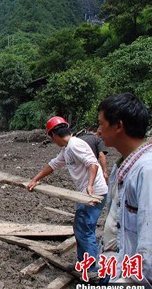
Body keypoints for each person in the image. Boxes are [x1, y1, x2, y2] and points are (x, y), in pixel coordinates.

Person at [27, 116, 108, 277]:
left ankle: (92, 270)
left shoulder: (75, 145)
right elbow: (53, 164)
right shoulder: (67, 149)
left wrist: (90, 186)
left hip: (93, 194)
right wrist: (36, 179)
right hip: (85, 194)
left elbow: (93, 164)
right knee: (81, 228)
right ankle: (83, 263)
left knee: (85, 229)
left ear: (54, 135)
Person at [97, 93, 151, 289]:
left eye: (102, 124)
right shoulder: (124, 166)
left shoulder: (147, 171)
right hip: (116, 268)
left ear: (118, 126)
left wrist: (129, 287)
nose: (99, 131)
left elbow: (150, 242)